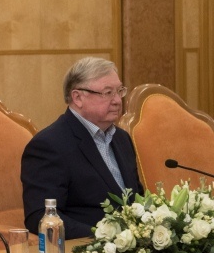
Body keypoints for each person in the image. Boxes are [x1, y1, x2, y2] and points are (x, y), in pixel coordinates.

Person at [21, 57, 144, 239]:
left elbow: (137, 199)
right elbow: (40, 216)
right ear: (78, 97)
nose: (118, 100)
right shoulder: (49, 145)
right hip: (85, 248)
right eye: (107, 93)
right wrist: (103, 238)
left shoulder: (122, 138)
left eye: (119, 91)